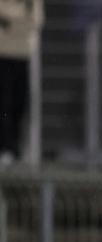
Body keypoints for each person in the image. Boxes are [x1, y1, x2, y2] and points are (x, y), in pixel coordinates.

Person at [0, 0, 42, 164]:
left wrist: (10, 20)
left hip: (22, 55)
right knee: (4, 104)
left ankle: (14, 149)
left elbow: (36, 20)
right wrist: (18, 18)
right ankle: (6, 148)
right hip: (2, 55)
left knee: (20, 103)